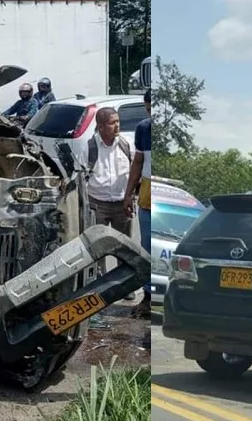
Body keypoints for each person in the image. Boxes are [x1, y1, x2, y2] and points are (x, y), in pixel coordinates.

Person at [84, 107, 135, 298]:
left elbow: (135, 170)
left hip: (122, 204)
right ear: (101, 126)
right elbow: (82, 176)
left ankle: (125, 287)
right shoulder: (88, 147)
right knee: (98, 248)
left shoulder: (125, 144)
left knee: (125, 248)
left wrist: (131, 196)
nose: (117, 126)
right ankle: (100, 289)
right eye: (113, 122)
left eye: (118, 121)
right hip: (98, 203)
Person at [125, 88, 152, 318]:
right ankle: (148, 297)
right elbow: (138, 162)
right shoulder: (144, 128)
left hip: (163, 192)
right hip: (148, 194)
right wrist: (128, 193)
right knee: (147, 247)